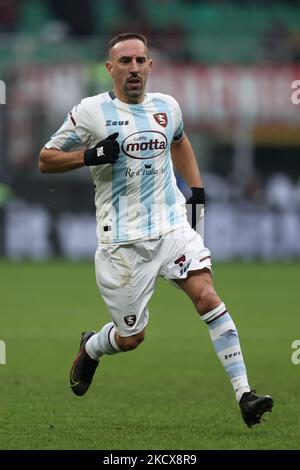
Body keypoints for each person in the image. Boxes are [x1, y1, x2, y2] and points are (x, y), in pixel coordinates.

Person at [39, 32, 273, 427]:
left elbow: (179, 142)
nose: (134, 68)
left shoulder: (168, 107)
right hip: (122, 244)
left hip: (170, 227)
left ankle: (245, 395)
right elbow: (46, 159)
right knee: (131, 338)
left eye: (140, 61)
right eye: (125, 62)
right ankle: (93, 348)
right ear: (110, 68)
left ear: (151, 66)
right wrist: (90, 155)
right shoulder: (90, 111)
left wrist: (196, 189)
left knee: (207, 296)